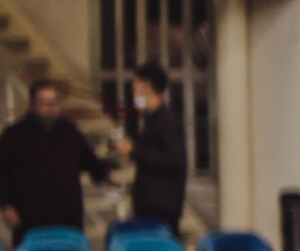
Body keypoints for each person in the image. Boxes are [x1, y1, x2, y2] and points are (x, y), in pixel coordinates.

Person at [0, 78, 113, 238]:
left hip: (67, 216)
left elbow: (89, 161)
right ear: (33, 105)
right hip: (29, 217)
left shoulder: (69, 131)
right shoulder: (14, 134)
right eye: (45, 103)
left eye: (54, 102)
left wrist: (105, 175)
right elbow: (2, 172)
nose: (50, 108)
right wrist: (6, 205)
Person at [125, 61, 191, 230]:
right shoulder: (150, 118)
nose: (133, 90)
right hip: (149, 207)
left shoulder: (166, 120)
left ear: (146, 85)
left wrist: (133, 152)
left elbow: (175, 160)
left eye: (135, 84)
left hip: (161, 210)